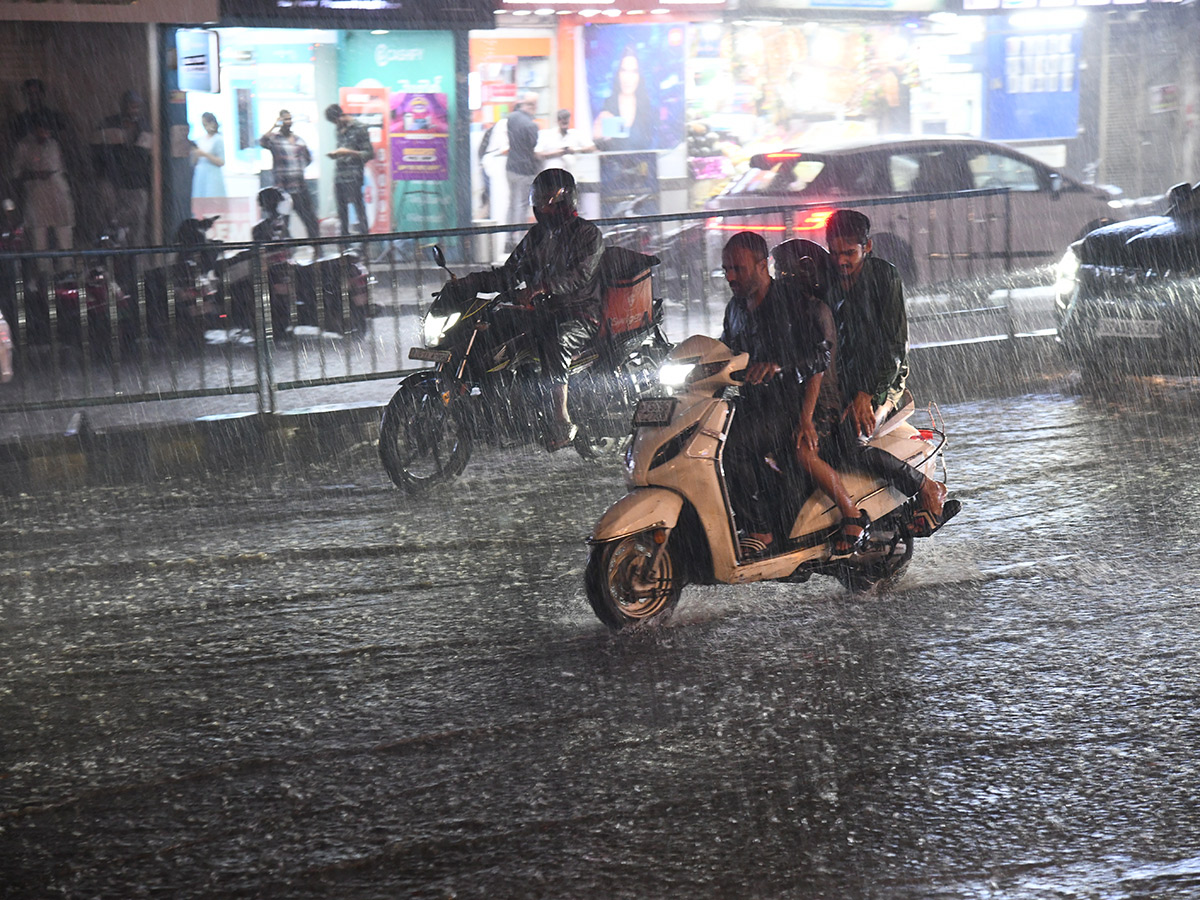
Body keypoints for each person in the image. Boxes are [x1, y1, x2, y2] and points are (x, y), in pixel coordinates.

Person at [718, 231, 865, 559]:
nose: (730, 277)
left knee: (735, 447)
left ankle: (760, 529)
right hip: (761, 404)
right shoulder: (735, 309)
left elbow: (818, 361)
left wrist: (804, 416)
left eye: (738, 269)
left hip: (794, 405)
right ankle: (769, 510)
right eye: (725, 269)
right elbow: (725, 352)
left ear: (762, 265)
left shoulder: (794, 305)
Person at [824, 209, 958, 537]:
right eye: (835, 252)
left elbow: (895, 349)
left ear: (867, 247)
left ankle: (926, 488)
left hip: (883, 381)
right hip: (842, 385)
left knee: (848, 442)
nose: (841, 261)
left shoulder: (884, 276)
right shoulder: (828, 281)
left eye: (849, 253)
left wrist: (868, 393)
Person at [465, 168, 603, 451]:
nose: (541, 207)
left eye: (547, 201)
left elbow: (579, 276)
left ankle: (560, 419)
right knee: (491, 328)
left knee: (555, 341)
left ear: (565, 201)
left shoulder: (587, 234)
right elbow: (510, 273)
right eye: (538, 200)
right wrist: (471, 282)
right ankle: (498, 411)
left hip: (578, 313)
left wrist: (543, 287)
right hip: (539, 312)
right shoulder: (537, 236)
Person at [592, 45, 658, 216]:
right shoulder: (608, 104)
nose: (628, 77)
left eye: (634, 71)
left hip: (642, 182)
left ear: (640, 75)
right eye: (624, 70)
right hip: (612, 183)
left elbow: (651, 142)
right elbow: (597, 140)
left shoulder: (647, 108)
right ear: (618, 73)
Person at [92, 90, 153, 246]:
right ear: (124, 106)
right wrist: (105, 179)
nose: (135, 109)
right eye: (132, 105)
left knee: (137, 230)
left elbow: (150, 160)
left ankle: (135, 265)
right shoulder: (108, 126)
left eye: (138, 106)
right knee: (113, 227)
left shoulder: (147, 128)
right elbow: (96, 155)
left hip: (137, 186)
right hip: (114, 185)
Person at [13, 115, 75, 259]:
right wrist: (35, 175)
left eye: (47, 131)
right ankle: (44, 275)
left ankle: (66, 272)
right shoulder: (24, 146)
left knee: (65, 237)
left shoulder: (54, 144)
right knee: (39, 241)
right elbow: (16, 173)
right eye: (42, 131)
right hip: (37, 198)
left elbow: (63, 168)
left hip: (59, 195)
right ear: (35, 130)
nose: (45, 134)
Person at [259, 109, 319, 241]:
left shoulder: (299, 140)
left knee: (310, 220)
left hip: (299, 186)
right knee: (282, 223)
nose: (288, 122)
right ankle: (285, 254)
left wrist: (297, 169)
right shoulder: (275, 139)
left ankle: (317, 249)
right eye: (285, 119)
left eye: (289, 119)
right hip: (283, 190)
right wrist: (274, 125)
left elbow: (308, 158)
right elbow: (262, 142)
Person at [324, 104, 373, 240]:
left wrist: (348, 152)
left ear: (340, 116)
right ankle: (344, 247)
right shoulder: (338, 129)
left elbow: (369, 154)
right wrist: (337, 154)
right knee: (342, 213)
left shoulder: (360, 128)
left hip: (354, 176)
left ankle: (364, 245)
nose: (335, 124)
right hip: (339, 176)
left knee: (359, 210)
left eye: (335, 121)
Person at [504, 93, 541, 239]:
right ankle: (518, 238)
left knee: (512, 203)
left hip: (510, 167)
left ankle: (507, 236)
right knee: (522, 204)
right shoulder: (531, 125)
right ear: (533, 106)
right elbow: (533, 148)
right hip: (525, 170)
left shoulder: (512, 118)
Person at [538, 109, 595, 176]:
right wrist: (557, 153)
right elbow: (538, 155)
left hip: (570, 177)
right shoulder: (546, 135)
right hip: (550, 176)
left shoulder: (576, 134)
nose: (564, 121)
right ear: (557, 120)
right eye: (561, 119)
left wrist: (575, 150)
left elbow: (592, 148)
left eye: (566, 119)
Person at [190, 113, 225, 199]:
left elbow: (221, 161)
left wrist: (205, 155)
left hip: (213, 174)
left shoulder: (218, 139)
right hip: (200, 173)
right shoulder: (200, 140)